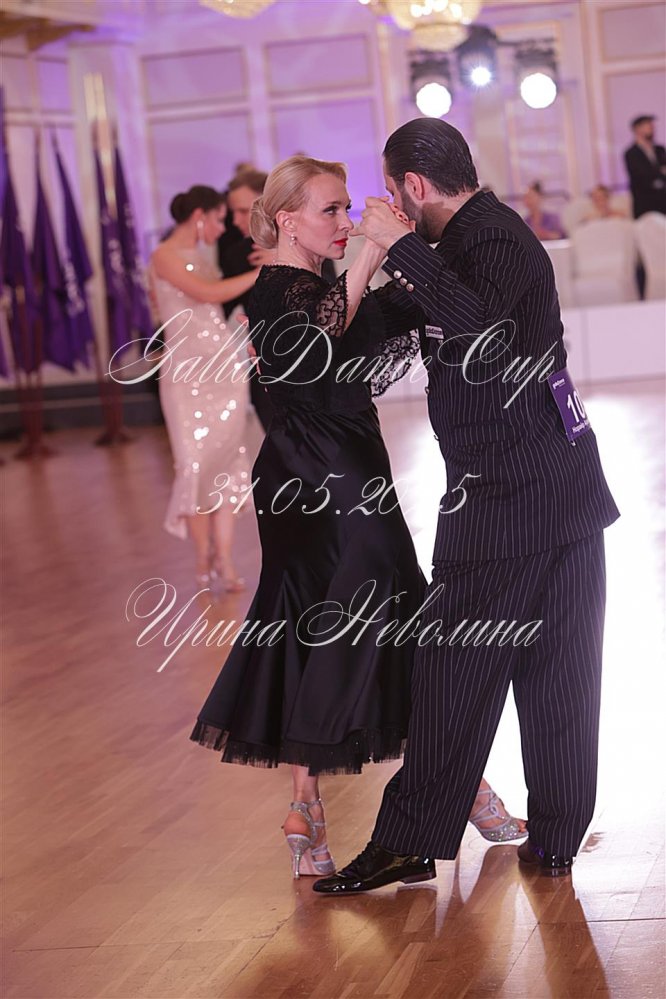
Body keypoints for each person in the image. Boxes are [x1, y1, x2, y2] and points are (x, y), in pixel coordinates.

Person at [189, 155, 526, 880]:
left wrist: (416, 249)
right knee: (388, 623)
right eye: (331, 210)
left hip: (327, 471)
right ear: (287, 220)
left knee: (315, 621)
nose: (344, 220)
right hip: (327, 479)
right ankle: (465, 787)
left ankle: (306, 808)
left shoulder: (315, 288)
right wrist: (372, 252)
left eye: (347, 208)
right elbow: (324, 342)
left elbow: (377, 332)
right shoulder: (278, 287)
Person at [313, 118, 620, 895]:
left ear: (413, 187)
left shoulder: (498, 239)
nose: (389, 204)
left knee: (459, 671)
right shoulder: (451, 251)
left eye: (393, 192)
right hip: (546, 491)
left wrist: (398, 246)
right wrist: (358, 265)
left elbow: (483, 332)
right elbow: (372, 347)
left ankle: (420, 841)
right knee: (551, 672)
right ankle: (550, 838)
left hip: (515, 499)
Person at [149, 185, 271, 590]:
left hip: (223, 370)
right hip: (186, 374)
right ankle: (203, 557)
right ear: (199, 216)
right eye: (219, 219)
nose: (223, 228)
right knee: (195, 465)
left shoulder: (202, 256)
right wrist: (265, 270)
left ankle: (226, 560)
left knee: (229, 464)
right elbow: (208, 293)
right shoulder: (164, 255)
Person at [217, 169, 275, 431]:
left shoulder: (307, 242)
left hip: (314, 365)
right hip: (263, 370)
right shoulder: (237, 254)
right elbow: (220, 306)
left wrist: (283, 257)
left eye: (242, 211)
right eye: (233, 212)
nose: (235, 220)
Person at [624, 115, 666, 218]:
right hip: (645, 206)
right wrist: (660, 173)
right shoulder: (631, 153)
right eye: (648, 126)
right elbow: (642, 177)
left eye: (652, 126)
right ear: (637, 129)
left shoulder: (660, 150)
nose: (652, 129)